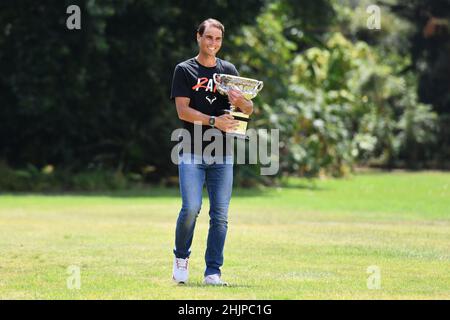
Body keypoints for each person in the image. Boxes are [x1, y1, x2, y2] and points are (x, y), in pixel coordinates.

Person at [170, 18, 253, 285]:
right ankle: (181, 257)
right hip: (191, 150)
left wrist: (243, 103)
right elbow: (183, 110)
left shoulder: (228, 71)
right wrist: (214, 121)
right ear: (198, 37)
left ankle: (212, 272)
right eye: (209, 38)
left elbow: (246, 111)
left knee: (220, 215)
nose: (213, 44)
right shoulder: (184, 70)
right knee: (191, 208)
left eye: (218, 39)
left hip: (222, 153)